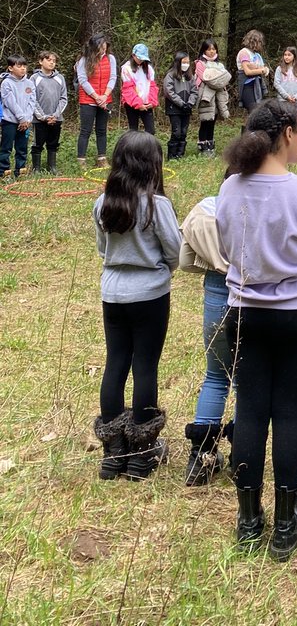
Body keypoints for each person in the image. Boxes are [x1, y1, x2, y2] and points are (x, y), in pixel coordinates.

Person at [216, 100, 297, 560]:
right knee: (289, 412)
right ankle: (286, 523)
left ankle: (248, 520)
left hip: (244, 313)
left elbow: (227, 248)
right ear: (288, 132)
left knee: (249, 411)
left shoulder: (229, 190)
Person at [92, 132, 180, 481]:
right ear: (152, 165)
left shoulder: (103, 203)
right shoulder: (157, 205)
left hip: (113, 293)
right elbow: (174, 250)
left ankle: (113, 454)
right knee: (145, 365)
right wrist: (157, 269)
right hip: (150, 294)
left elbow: (102, 249)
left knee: (115, 363)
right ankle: (142, 454)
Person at [179, 194, 234, 486]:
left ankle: (200, 459)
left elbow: (185, 260)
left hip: (215, 290)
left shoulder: (205, 208)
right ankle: (243, 456)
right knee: (245, 382)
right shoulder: (263, 203)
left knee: (215, 376)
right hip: (251, 293)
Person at [75, 34, 118, 169]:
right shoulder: (83, 60)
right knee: (85, 130)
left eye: (105, 45)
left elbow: (113, 77)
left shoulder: (111, 59)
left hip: (105, 98)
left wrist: (105, 95)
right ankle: (81, 160)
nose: (104, 48)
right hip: (88, 99)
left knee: (102, 130)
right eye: (101, 46)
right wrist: (96, 96)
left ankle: (102, 158)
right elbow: (82, 80)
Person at [31, 50, 67, 174]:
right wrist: (43, 117)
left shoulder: (60, 78)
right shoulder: (34, 78)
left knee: (53, 143)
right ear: (41, 61)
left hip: (56, 119)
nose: (52, 63)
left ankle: (52, 167)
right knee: (38, 144)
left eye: (54, 61)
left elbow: (64, 98)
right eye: (49, 60)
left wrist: (55, 115)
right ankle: (36, 169)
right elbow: (32, 99)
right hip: (39, 119)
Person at [0, 55, 36, 180]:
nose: (23, 69)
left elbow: (32, 102)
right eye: (19, 66)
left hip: (25, 122)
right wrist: (21, 118)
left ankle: (20, 171)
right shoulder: (6, 83)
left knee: (22, 148)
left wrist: (27, 119)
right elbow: (10, 103)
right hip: (10, 122)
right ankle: (4, 172)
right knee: (6, 148)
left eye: (24, 66)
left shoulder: (30, 83)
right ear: (10, 68)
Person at [195, 39, 231, 156]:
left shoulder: (219, 65)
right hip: (206, 97)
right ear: (204, 50)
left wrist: (218, 80)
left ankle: (210, 146)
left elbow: (226, 78)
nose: (211, 51)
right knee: (205, 121)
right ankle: (202, 147)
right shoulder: (200, 63)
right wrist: (218, 80)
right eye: (209, 49)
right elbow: (207, 79)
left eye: (213, 49)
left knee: (213, 122)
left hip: (217, 98)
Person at [163, 51, 198, 160]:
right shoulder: (170, 75)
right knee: (176, 131)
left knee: (184, 131)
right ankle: (172, 155)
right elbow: (169, 92)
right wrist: (181, 104)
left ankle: (180, 153)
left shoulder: (190, 77)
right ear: (178, 62)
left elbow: (194, 91)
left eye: (188, 62)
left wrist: (190, 103)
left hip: (186, 108)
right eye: (184, 62)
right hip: (174, 108)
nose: (186, 64)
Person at [120, 44, 159, 135]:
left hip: (147, 104)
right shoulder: (126, 69)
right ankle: (132, 149)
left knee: (151, 131)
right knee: (133, 131)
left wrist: (152, 101)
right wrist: (138, 104)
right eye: (139, 58)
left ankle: (147, 148)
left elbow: (152, 86)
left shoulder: (149, 69)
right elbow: (128, 90)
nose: (141, 60)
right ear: (133, 55)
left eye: (143, 58)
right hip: (132, 104)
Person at [236, 30, 270, 117]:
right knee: (253, 112)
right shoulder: (244, 52)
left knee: (258, 112)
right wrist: (261, 70)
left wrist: (257, 68)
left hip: (257, 85)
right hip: (247, 86)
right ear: (253, 41)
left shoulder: (257, 55)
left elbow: (266, 70)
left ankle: (253, 130)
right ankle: (248, 130)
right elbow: (248, 72)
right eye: (259, 42)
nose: (261, 45)